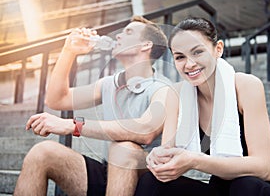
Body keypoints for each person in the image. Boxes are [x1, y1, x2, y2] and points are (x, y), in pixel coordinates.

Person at [14, 15, 171, 196]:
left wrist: (74, 125)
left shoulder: (162, 88)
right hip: (109, 172)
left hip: (146, 179)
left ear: (146, 45)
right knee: (42, 152)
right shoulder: (109, 83)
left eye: (128, 32)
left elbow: (145, 131)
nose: (119, 35)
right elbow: (57, 99)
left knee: (124, 148)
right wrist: (69, 52)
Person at [135, 17, 270, 196]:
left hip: (258, 188)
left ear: (218, 49)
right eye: (180, 57)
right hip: (220, 188)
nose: (190, 64)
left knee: (244, 185)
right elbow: (169, 155)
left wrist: (195, 160)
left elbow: (262, 166)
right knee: (152, 182)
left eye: (198, 52)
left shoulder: (246, 86)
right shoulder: (175, 94)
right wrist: (158, 158)